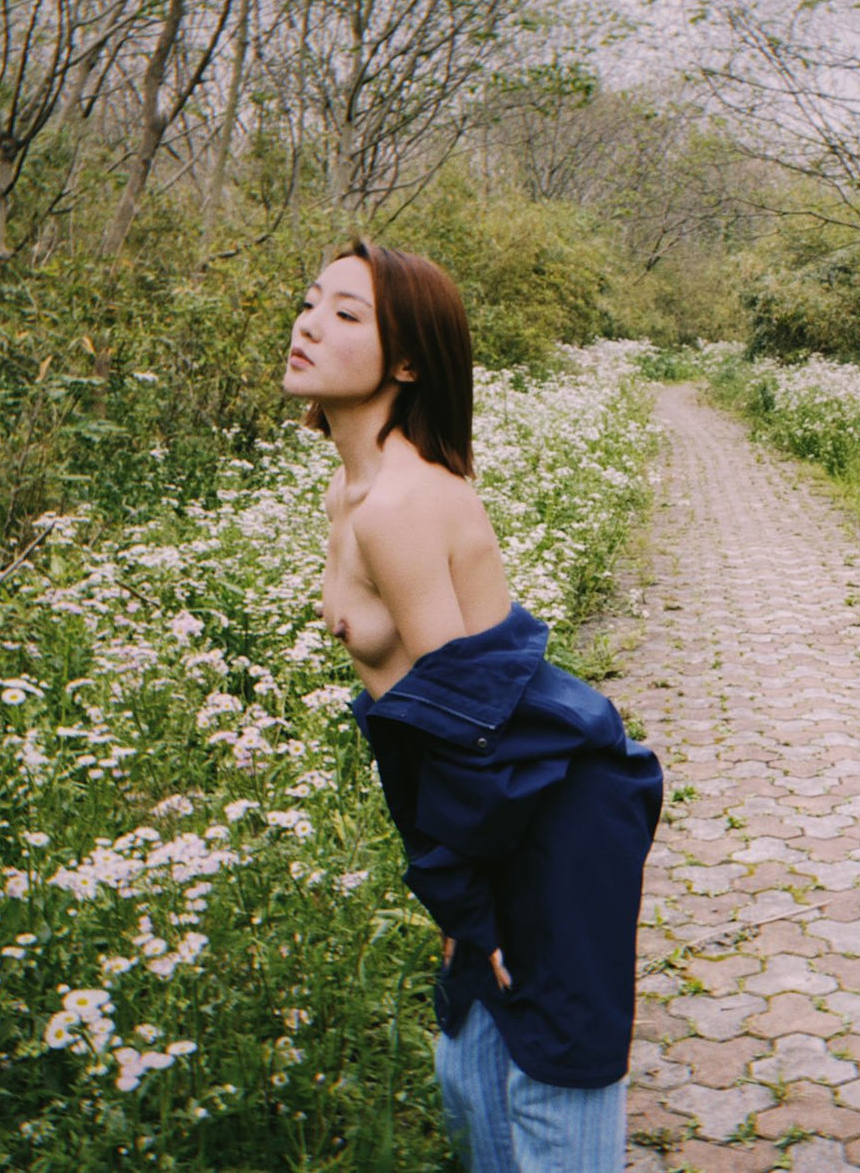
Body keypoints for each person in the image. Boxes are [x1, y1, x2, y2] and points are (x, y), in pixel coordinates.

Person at [283, 236, 664, 1170]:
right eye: (310, 301)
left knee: (554, 1089)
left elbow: (462, 729)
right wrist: (460, 897)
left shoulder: (399, 506)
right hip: (491, 812)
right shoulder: (351, 489)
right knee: (469, 1078)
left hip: (546, 815)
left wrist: (463, 900)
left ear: (408, 362)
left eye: (346, 313)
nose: (309, 324)